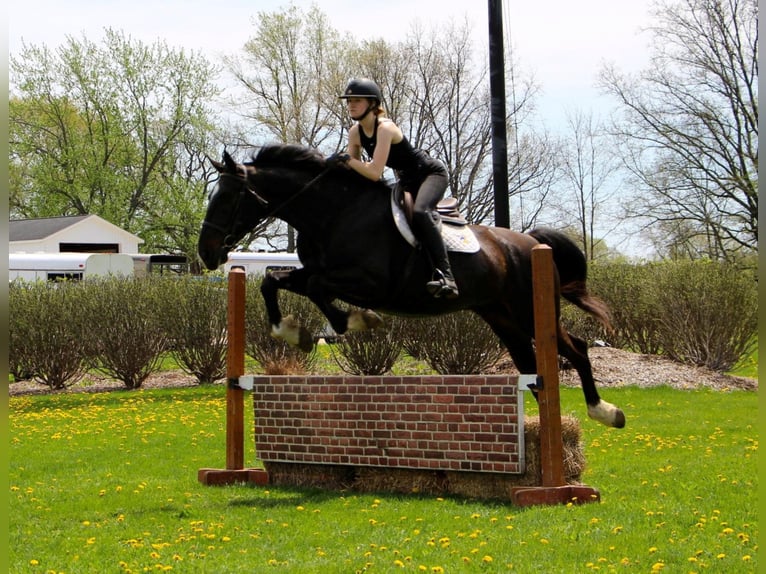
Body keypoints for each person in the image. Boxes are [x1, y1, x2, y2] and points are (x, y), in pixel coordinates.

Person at [329, 78, 459, 299]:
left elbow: (374, 172)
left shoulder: (385, 128)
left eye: (357, 100)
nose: (351, 105)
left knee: (420, 212)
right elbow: (355, 175)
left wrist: (346, 160)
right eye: (349, 101)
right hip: (407, 180)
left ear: (372, 104)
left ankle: (447, 277)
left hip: (430, 174)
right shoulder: (355, 132)